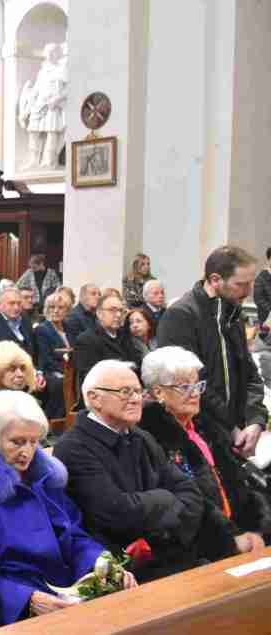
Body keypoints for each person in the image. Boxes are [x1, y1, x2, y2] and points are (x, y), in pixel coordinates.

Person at [0, 391, 137, 625]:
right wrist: (26, 599)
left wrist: (104, 566)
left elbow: (74, 535)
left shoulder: (45, 476)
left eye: (34, 441)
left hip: (66, 591)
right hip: (14, 607)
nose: (27, 451)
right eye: (17, 442)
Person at [53, 360, 205, 581]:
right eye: (125, 392)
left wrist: (162, 521)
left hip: (173, 554)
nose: (136, 399)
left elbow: (190, 492)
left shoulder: (140, 436)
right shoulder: (73, 447)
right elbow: (117, 514)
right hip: (126, 572)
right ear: (95, 398)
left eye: (137, 391)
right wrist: (166, 500)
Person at [139, 346, 270, 561]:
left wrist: (257, 527)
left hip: (241, 533)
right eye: (184, 386)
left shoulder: (204, 425)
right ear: (158, 392)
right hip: (200, 548)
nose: (195, 393)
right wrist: (231, 540)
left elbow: (238, 480)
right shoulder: (152, 436)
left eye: (197, 385)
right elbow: (186, 502)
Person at [157, 246, 266, 457]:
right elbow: (192, 386)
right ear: (215, 280)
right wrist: (230, 428)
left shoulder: (232, 313)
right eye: (241, 284)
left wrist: (255, 421)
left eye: (251, 282)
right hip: (200, 435)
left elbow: (249, 373)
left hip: (235, 434)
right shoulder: (181, 316)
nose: (249, 291)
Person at [73, 293, 141, 389]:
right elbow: (89, 377)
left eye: (121, 311)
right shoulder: (86, 340)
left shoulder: (124, 335)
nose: (118, 315)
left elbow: (136, 363)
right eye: (112, 310)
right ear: (99, 313)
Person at [0, 288, 34, 358]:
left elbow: (33, 348)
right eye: (11, 303)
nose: (16, 307)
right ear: (1, 305)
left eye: (19, 303)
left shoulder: (25, 319)